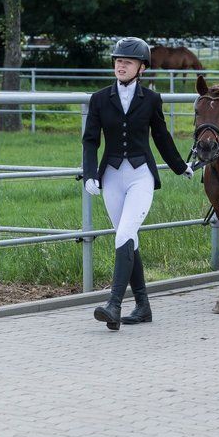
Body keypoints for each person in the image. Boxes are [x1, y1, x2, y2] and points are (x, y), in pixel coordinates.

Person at [82, 37, 192, 330]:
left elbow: (161, 137)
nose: (121, 65)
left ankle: (114, 304)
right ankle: (143, 305)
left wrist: (180, 167)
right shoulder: (99, 98)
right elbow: (90, 140)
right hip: (111, 176)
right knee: (127, 238)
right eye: (118, 60)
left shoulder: (152, 99)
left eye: (127, 61)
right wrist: (90, 173)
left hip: (141, 174)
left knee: (125, 234)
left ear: (141, 67)